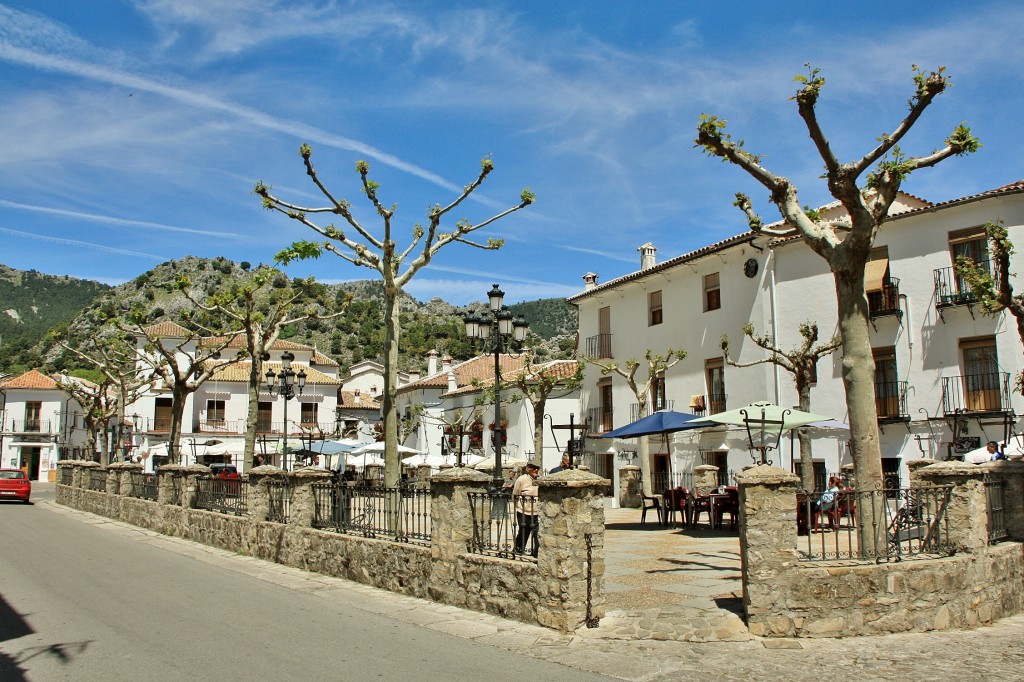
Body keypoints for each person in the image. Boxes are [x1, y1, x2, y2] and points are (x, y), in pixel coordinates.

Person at [512, 462, 541, 556]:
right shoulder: (521, 479)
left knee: (537, 534)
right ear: (528, 469)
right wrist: (519, 506)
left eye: (537, 468)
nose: (536, 470)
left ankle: (537, 553)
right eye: (534, 468)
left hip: (536, 512)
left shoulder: (540, 480)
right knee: (523, 532)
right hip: (523, 511)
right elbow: (515, 494)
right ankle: (518, 550)